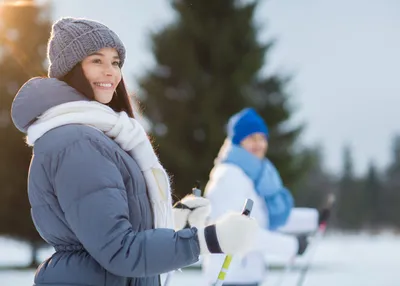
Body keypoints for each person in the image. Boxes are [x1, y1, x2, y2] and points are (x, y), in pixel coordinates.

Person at [10, 18, 259, 286]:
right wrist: (208, 240)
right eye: (97, 61)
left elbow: (104, 228)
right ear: (71, 68)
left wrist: (176, 221)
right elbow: (118, 249)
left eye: (115, 62)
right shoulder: (76, 143)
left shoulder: (95, 135)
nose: (111, 72)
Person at [202, 108, 320, 286]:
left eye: (262, 138)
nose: (258, 144)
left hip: (246, 276)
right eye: (251, 138)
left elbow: (263, 218)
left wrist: (314, 219)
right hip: (229, 278)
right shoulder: (229, 176)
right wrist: (292, 246)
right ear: (237, 141)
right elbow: (240, 233)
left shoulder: (253, 176)